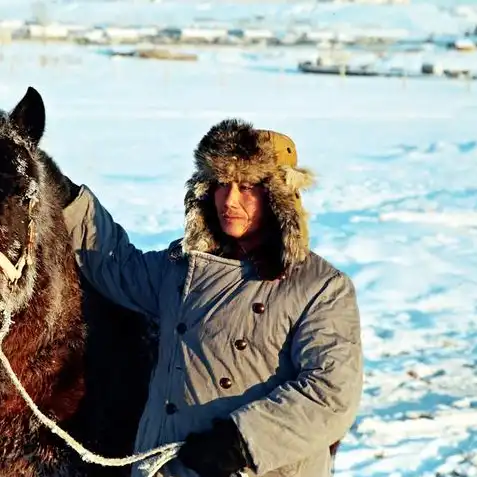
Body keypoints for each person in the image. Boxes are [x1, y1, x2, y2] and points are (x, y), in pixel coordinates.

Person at [57, 119, 363, 477]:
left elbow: (331, 394)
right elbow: (118, 267)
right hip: (163, 467)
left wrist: (241, 441)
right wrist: (66, 197)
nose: (230, 200)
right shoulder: (183, 268)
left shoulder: (321, 287)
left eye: (247, 186)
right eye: (220, 184)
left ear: (279, 198)